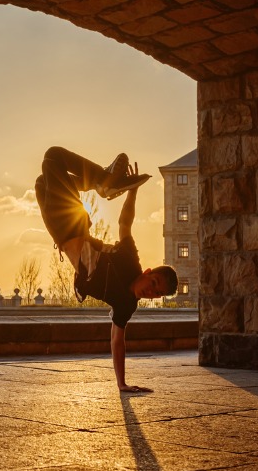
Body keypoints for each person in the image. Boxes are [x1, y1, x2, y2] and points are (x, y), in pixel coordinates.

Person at [35, 146, 178, 393]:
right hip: (75, 225)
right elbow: (125, 223)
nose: (151, 293)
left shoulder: (127, 305)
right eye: (154, 284)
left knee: (42, 181)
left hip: (59, 231)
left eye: (157, 295)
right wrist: (132, 191)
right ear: (148, 272)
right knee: (53, 157)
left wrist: (121, 383)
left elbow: (117, 341)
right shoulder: (131, 260)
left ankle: (101, 184)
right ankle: (103, 181)